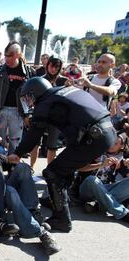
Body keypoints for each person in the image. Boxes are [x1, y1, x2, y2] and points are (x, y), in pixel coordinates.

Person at [7, 77, 116, 232]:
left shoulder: (45, 103)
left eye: (29, 96)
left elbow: (34, 135)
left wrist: (17, 153)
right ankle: (57, 199)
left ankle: (61, 218)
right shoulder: (66, 91)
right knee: (64, 167)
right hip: (105, 132)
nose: (29, 101)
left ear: (37, 93)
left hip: (93, 137)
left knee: (52, 172)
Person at [0, 41, 35, 154]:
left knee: (15, 142)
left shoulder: (28, 72)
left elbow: (33, 94)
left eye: (9, 55)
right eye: (5, 55)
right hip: (1, 110)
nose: (6, 58)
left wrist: (28, 113)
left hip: (18, 112)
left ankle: (12, 168)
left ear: (17, 55)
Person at [75, 132, 129, 223]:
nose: (111, 145)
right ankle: (122, 213)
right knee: (93, 179)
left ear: (122, 146)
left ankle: (97, 204)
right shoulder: (97, 150)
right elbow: (79, 168)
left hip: (107, 190)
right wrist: (101, 164)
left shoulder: (124, 158)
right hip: (87, 187)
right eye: (111, 141)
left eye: (115, 143)